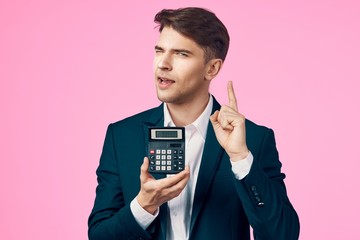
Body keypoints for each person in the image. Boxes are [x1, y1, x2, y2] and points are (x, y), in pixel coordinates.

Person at [88, 7, 300, 240]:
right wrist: (143, 206)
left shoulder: (254, 140)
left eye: (181, 54)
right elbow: (99, 235)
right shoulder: (122, 137)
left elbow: (283, 235)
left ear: (212, 68)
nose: (163, 64)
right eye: (159, 51)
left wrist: (240, 158)